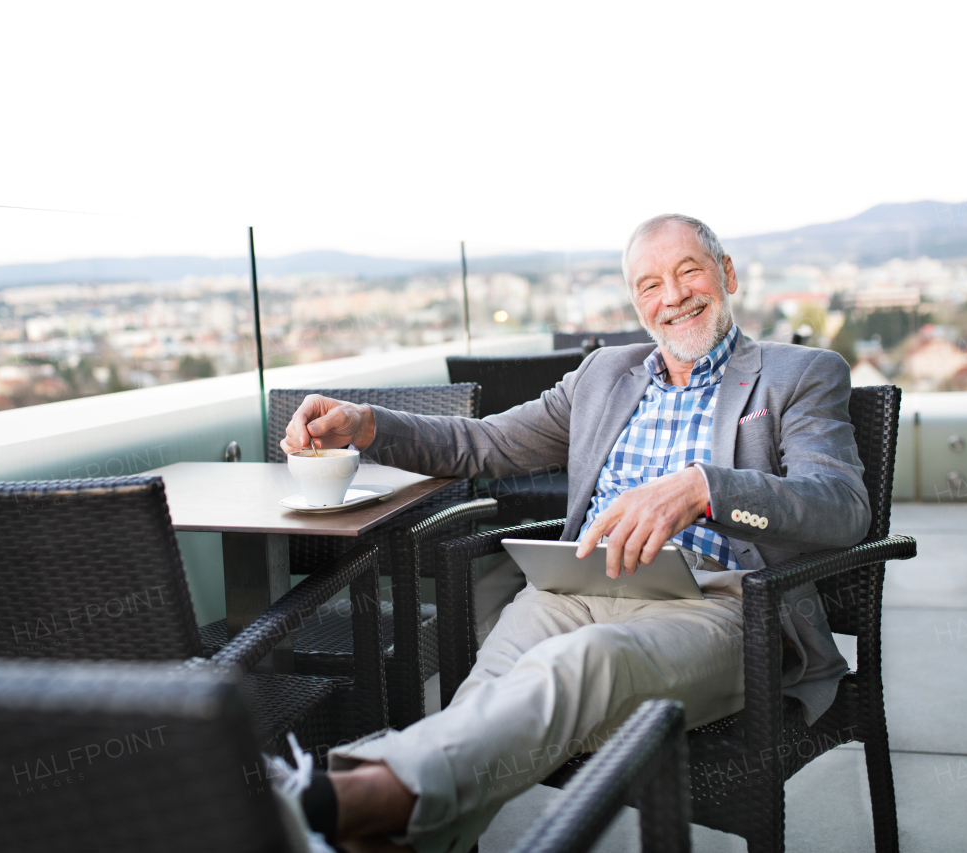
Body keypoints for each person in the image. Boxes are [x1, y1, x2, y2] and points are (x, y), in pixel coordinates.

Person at [281, 214, 869, 853]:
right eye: (650, 285)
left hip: (720, 606)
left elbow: (841, 507)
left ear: (726, 275)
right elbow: (485, 442)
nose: (672, 297)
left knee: (577, 665)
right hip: (574, 585)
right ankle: (369, 827)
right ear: (635, 302)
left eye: (689, 271)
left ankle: (337, 802)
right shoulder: (602, 376)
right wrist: (367, 425)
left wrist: (706, 489)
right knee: (485, 700)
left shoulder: (801, 374)